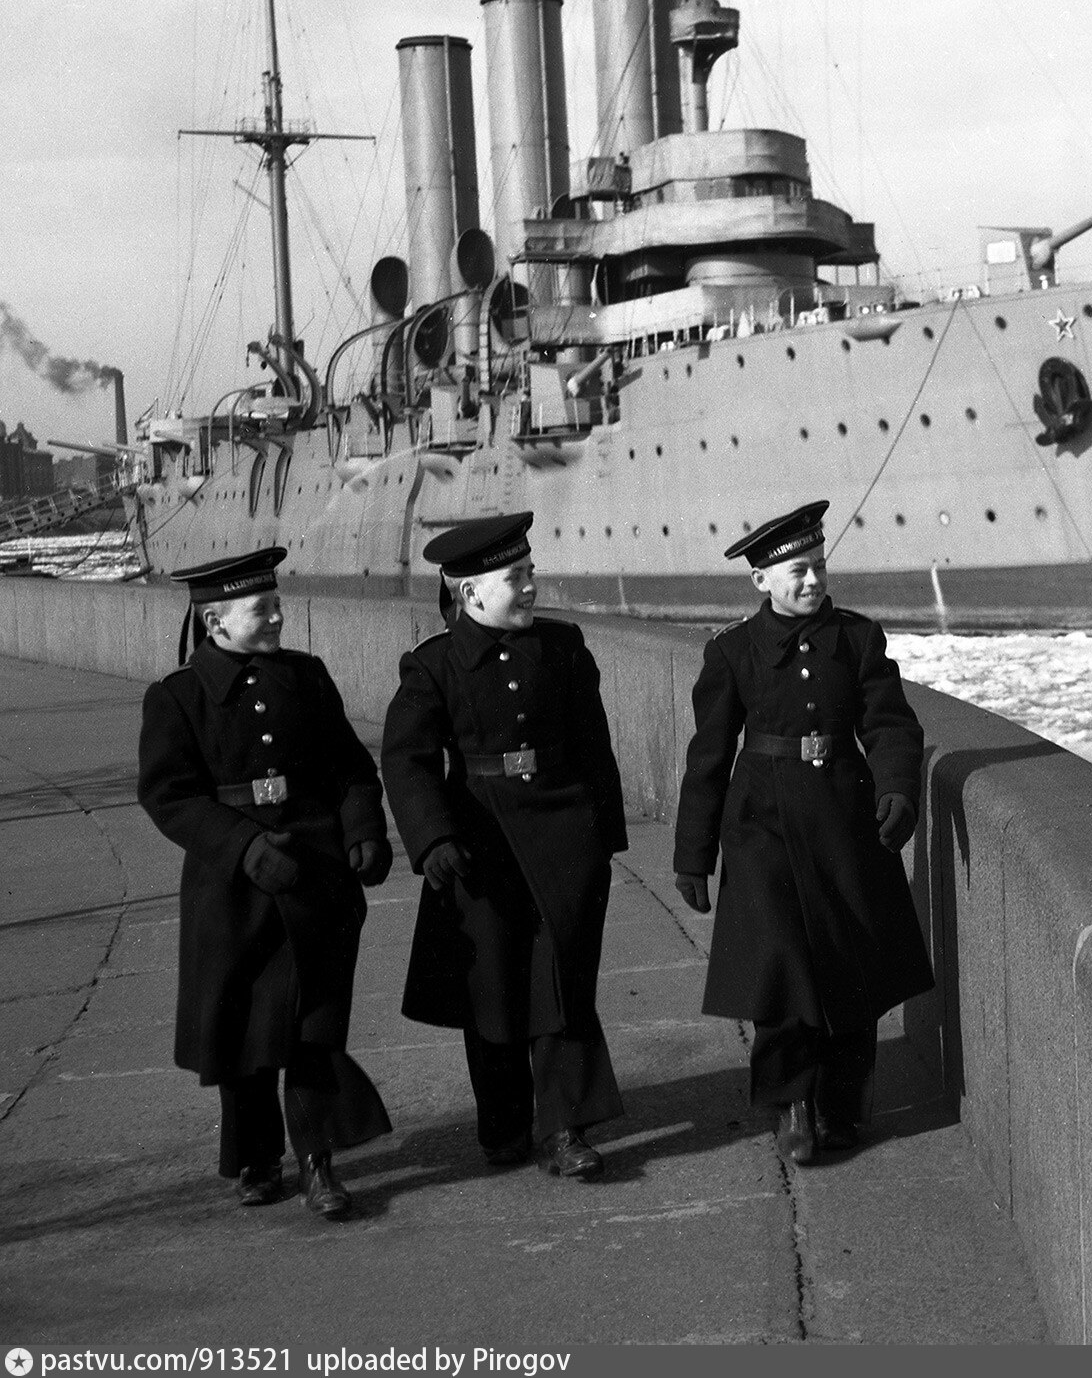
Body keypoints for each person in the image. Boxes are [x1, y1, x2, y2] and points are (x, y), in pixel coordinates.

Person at [136, 547, 393, 1219]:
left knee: (315, 1029)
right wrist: (244, 846)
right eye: (261, 608)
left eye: (276, 602)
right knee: (246, 1030)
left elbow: (348, 767)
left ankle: (319, 1163)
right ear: (215, 620)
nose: (278, 615)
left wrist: (364, 829)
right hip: (233, 893)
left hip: (317, 884)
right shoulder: (177, 698)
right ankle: (256, 1158)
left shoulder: (306, 680)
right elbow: (170, 796)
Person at [672, 500, 932, 1164]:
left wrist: (899, 787)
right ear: (760, 579)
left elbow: (890, 725)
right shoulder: (732, 653)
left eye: (817, 565)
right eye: (796, 570)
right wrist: (692, 854)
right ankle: (792, 1107)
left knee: (851, 971)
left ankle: (842, 1106)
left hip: (845, 821)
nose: (812, 580)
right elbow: (707, 756)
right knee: (780, 972)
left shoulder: (858, 639)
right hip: (763, 826)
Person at [380, 511, 627, 1180]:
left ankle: (564, 1126)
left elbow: (592, 746)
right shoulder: (433, 666)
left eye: (530, 572)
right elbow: (406, 760)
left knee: (560, 986)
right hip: (477, 848)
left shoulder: (563, 647)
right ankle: (503, 1124)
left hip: (563, 839)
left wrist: (604, 834)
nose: (529, 588)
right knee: (490, 992)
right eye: (514, 577)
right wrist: (431, 837)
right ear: (469, 593)